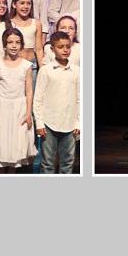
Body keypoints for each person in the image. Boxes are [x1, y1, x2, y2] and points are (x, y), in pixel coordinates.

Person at [0, 28, 35, 171]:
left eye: (17, 42)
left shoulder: (26, 66)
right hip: (1, 108)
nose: (14, 45)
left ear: (21, 45)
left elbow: (29, 91)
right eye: (10, 42)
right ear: (5, 45)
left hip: (19, 108)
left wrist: (28, 113)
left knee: (15, 146)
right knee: (1, 144)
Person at [34, 30, 80, 174]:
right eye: (61, 47)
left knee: (67, 162)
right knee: (47, 163)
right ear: (52, 49)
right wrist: (39, 123)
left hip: (70, 123)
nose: (65, 50)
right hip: (49, 123)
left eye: (68, 46)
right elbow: (38, 99)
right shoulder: (46, 70)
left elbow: (80, 98)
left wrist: (79, 122)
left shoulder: (76, 71)